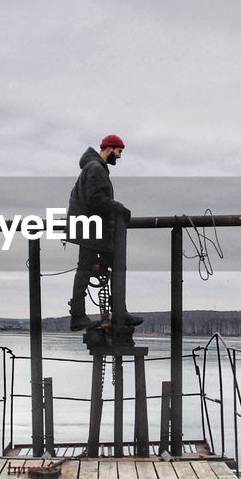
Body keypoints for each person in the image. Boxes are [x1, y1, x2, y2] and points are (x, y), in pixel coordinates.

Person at [67, 134, 143, 331]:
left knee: (86, 269)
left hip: (89, 228)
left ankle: (87, 314)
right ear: (109, 148)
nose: (119, 156)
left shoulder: (93, 167)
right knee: (114, 266)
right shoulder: (95, 168)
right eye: (119, 151)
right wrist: (119, 208)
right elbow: (95, 199)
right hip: (92, 230)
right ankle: (114, 312)